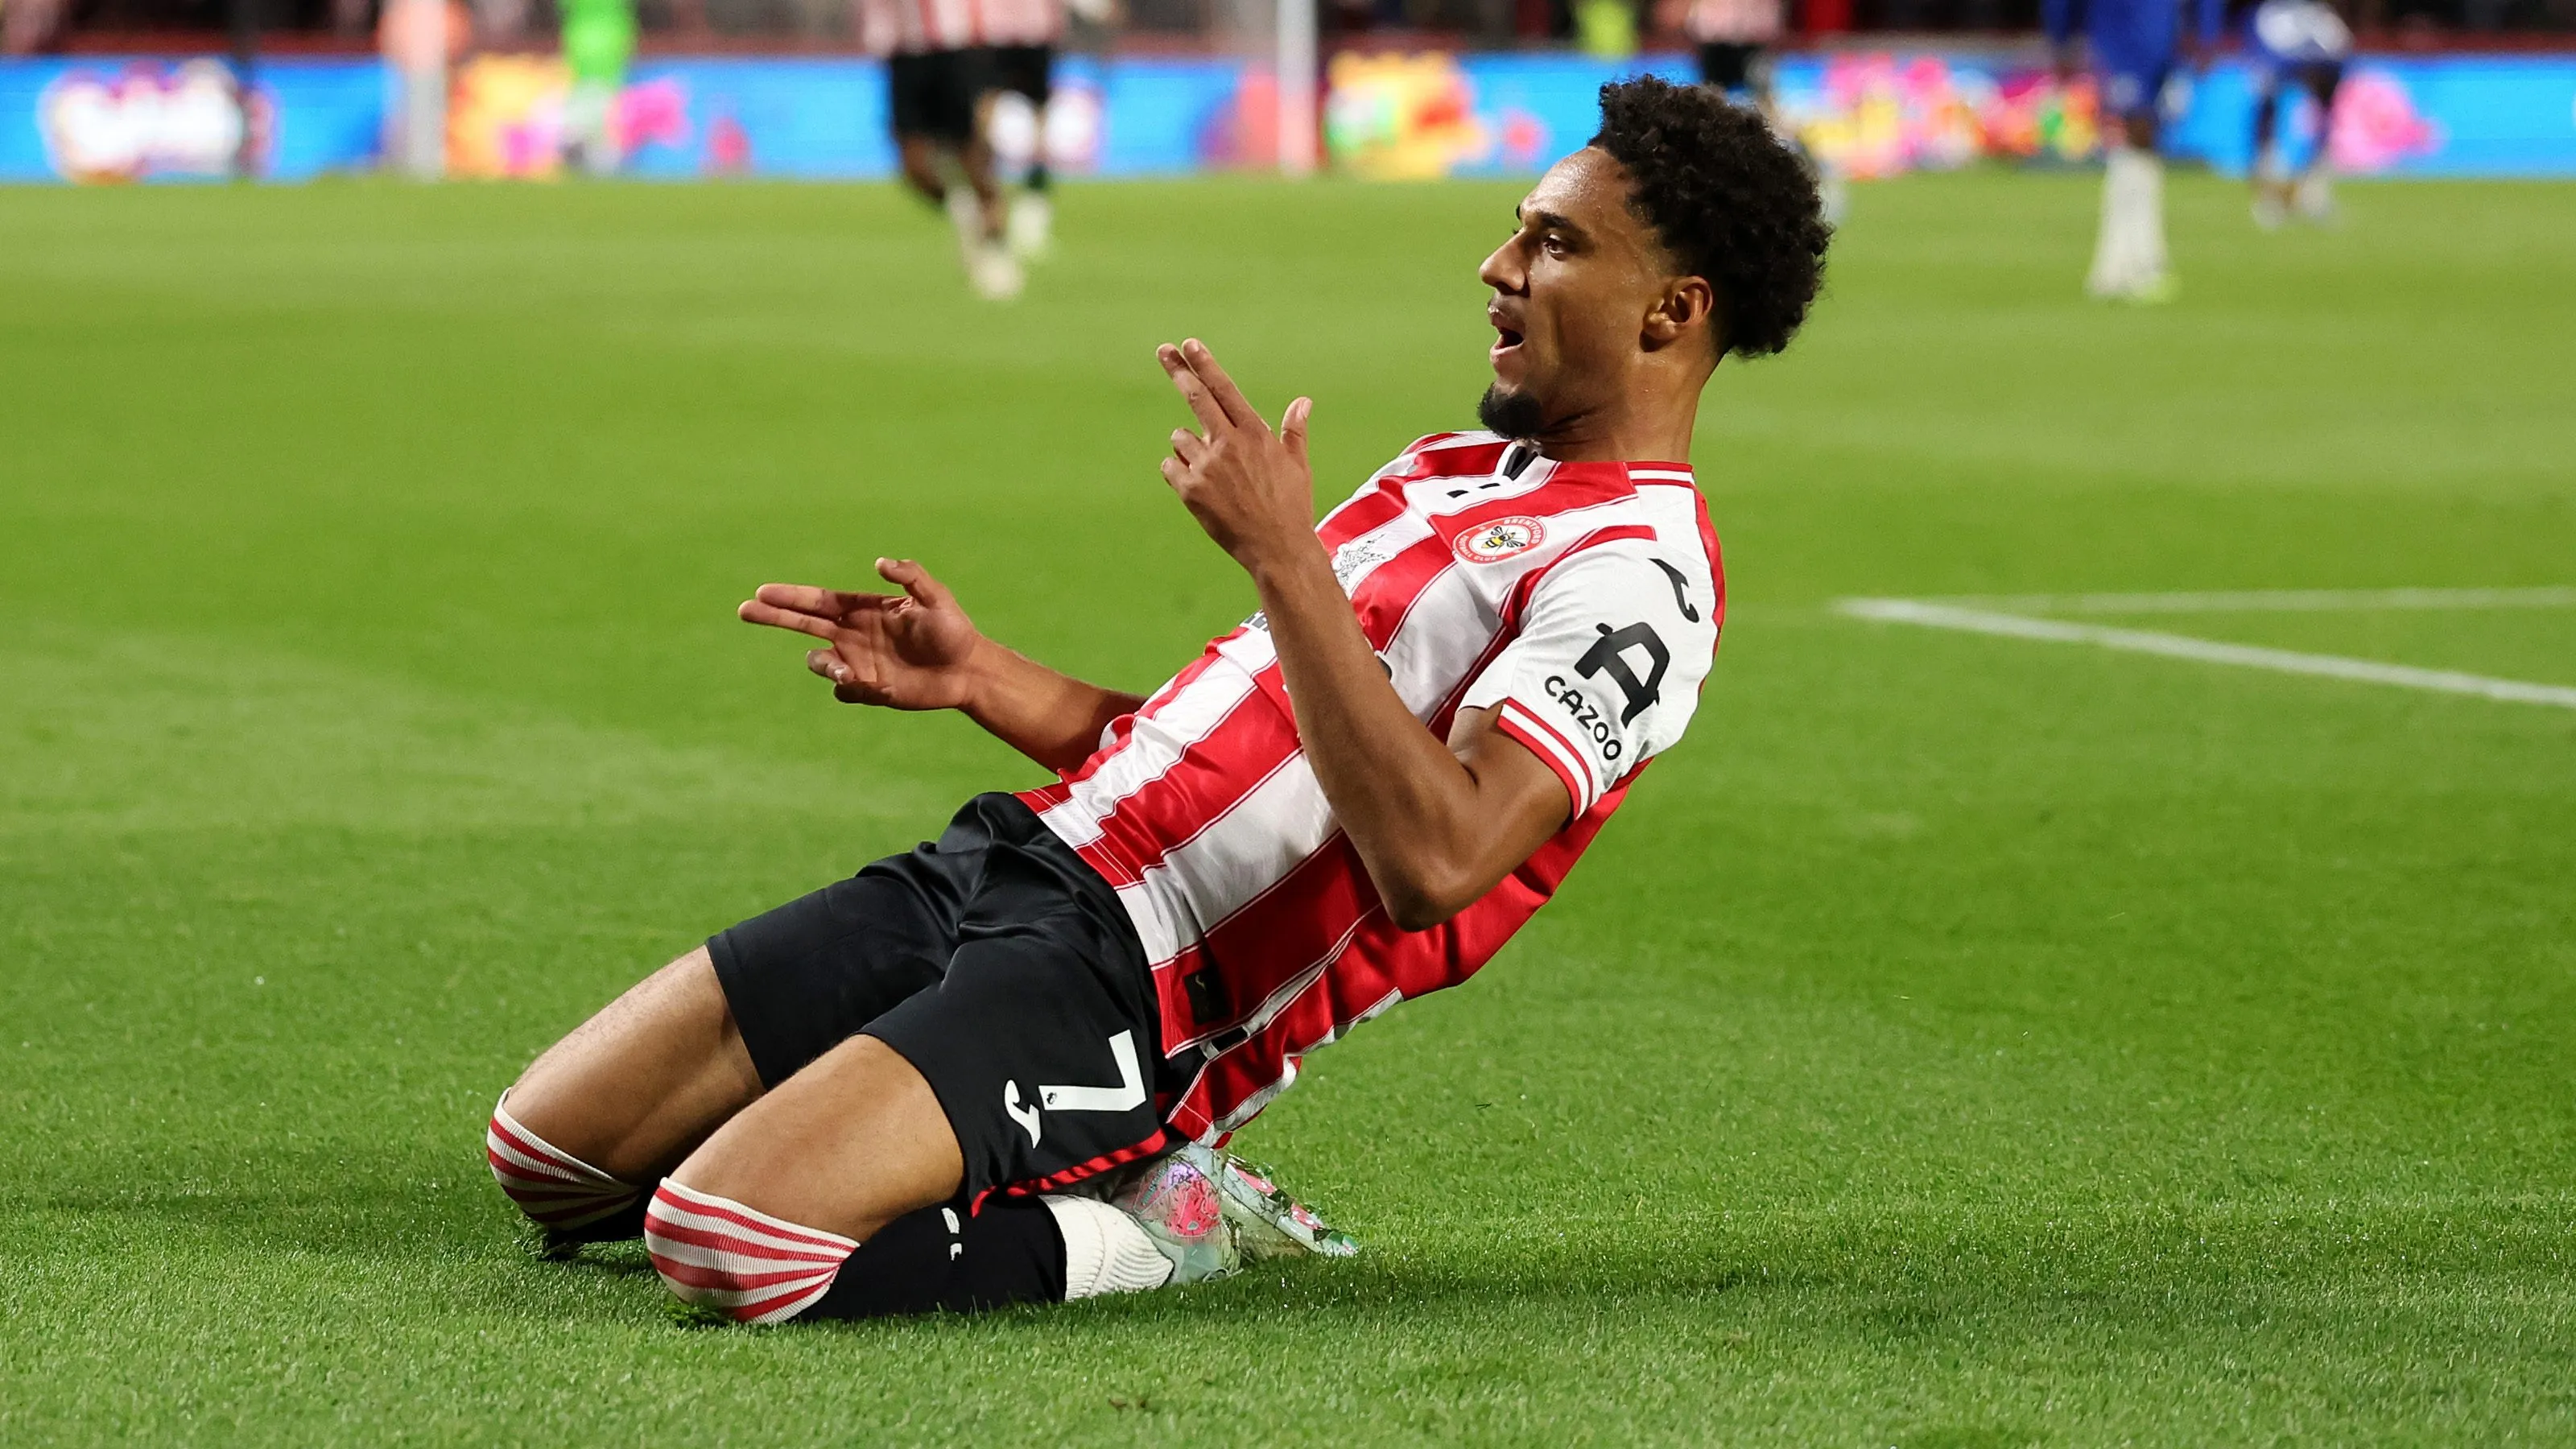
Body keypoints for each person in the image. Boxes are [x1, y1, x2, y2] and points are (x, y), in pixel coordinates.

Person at [484, 75, 1829, 1326]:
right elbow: (1254, 757)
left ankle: (1160, 1226)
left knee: (729, 1241)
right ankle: (933, 1138)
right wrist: (985, 678)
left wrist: (1288, 561)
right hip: (1024, 855)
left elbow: (1436, 860)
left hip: (1145, 983)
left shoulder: (1641, 582)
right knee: (546, 1157)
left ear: (1672, 312)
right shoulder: (1459, 469)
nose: (1498, 266)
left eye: (1553, 242)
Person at [857, 0, 1021, 299]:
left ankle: (996, 249)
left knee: (972, 157)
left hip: (955, 49)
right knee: (914, 166)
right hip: (904, 52)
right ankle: (965, 212)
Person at [2046, 0, 2186, 302]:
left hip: (2159, 43)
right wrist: (2062, 39)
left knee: (2143, 145)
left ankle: (2131, 260)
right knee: (2134, 138)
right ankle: (2129, 263)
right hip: (2124, 43)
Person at [2227, 0, 2351, 228]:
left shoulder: (2322, 32)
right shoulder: (2272, 24)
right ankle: (2273, 191)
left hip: (2306, 43)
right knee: (2268, 108)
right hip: (2287, 42)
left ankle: (2311, 189)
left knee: (2318, 111)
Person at [557, 0, 635, 175]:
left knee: (592, 93)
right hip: (609, 34)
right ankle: (597, 150)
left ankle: (589, 148)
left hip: (585, 35)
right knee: (605, 95)